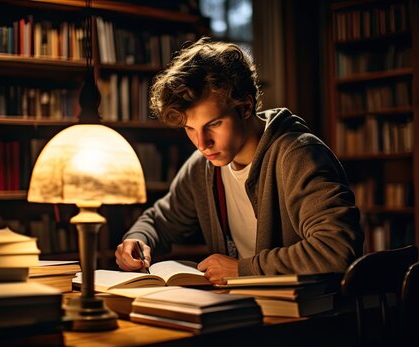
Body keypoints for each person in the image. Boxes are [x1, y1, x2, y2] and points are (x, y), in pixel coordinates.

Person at [114, 37, 363, 285]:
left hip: (310, 315)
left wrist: (243, 269)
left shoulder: (297, 155)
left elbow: (337, 249)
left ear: (245, 107)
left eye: (214, 124)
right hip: (244, 309)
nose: (202, 143)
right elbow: (159, 221)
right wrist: (137, 240)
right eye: (190, 128)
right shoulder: (202, 166)